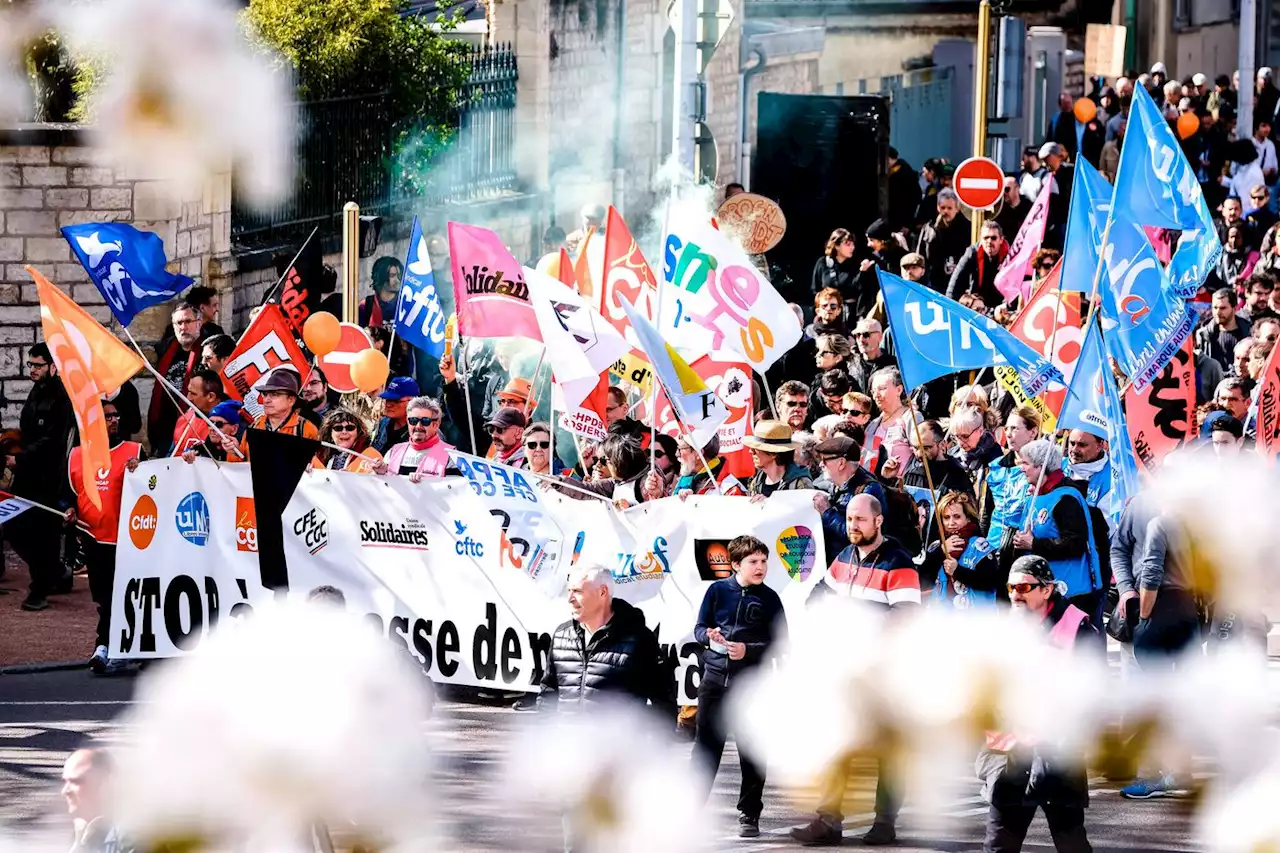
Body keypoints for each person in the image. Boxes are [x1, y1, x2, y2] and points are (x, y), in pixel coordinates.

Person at [793, 494, 916, 846]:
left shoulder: (898, 561)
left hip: (885, 676)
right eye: (849, 520)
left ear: (878, 522)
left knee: (886, 754)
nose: (852, 526)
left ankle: (885, 823)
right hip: (846, 673)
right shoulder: (845, 556)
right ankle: (828, 821)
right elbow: (818, 593)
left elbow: (905, 616)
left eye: (860, 520)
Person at [978, 555, 1096, 853]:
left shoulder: (1078, 628)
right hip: (1008, 754)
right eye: (1011, 587)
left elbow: (1092, 695)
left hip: (1056, 753)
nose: (1016, 594)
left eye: (1024, 587)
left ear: (1047, 589)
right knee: (999, 846)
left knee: (1071, 844)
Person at [694, 535, 787, 839]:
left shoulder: (771, 598)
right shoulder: (717, 591)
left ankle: (750, 814)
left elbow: (780, 643)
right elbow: (698, 627)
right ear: (735, 565)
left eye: (763, 561)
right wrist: (708, 636)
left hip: (752, 686)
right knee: (706, 749)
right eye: (753, 562)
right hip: (714, 681)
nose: (761, 567)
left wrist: (748, 650)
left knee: (752, 751)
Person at [1110, 491, 1199, 799]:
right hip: (1188, 615)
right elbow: (1119, 550)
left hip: (1160, 614)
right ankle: (1179, 771)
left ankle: (1153, 775)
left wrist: (1145, 615)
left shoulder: (1162, 523)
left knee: (1148, 698)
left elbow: (1151, 572)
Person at [67, 399, 142, 674]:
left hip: (128, 538)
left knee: (119, 595)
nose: (114, 421)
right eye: (107, 417)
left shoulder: (134, 452)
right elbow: (68, 494)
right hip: (92, 537)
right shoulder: (76, 455)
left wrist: (142, 472)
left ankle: (106, 645)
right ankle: (115, 645)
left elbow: (153, 487)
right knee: (104, 597)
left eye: (116, 416)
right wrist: (69, 509)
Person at [539, 563, 673, 713]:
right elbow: (547, 694)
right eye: (569, 591)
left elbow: (663, 700)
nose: (570, 598)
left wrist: (656, 736)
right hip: (566, 736)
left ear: (602, 592)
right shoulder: (561, 635)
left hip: (619, 736)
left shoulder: (640, 639)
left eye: (577, 591)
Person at [1009, 439, 1103, 626]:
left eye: (1025, 463)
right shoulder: (1034, 496)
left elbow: (1075, 543)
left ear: (1041, 466)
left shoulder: (1066, 497)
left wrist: (1034, 544)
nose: (1021, 469)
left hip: (1071, 592)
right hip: (1042, 591)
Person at [10, 343, 75, 611]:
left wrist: (21, 457)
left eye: (38, 365)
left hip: (49, 476)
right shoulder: (37, 391)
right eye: (31, 365)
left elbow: (53, 441)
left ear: (52, 366)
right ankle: (56, 573)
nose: (33, 370)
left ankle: (40, 589)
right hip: (28, 473)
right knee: (15, 528)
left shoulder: (60, 396)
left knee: (42, 533)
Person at [811, 434, 887, 564]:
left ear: (841, 463)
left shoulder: (867, 490)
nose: (821, 465)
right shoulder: (835, 486)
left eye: (825, 460)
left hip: (857, 564)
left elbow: (859, 533)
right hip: (839, 562)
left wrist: (827, 512)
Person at [919, 490, 1001, 607]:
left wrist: (958, 571)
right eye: (946, 518)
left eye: (956, 517)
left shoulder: (981, 547)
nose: (951, 522)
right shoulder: (936, 547)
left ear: (967, 518)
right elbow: (923, 580)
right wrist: (940, 552)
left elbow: (991, 582)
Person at [221, 366, 319, 461]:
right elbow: (241, 470)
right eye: (265, 394)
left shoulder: (306, 430)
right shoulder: (254, 427)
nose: (266, 400)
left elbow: (321, 471)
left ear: (291, 400)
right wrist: (234, 451)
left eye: (275, 394)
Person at [148, 302, 210, 451]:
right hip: (164, 429)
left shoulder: (207, 351)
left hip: (193, 430)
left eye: (188, 321)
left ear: (199, 323)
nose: (183, 328)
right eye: (179, 323)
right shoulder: (166, 348)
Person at [978, 406, 1040, 553]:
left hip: (1026, 546)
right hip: (995, 545)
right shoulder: (996, 467)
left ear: (1033, 432)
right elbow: (988, 511)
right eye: (1007, 429)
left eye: (1014, 429)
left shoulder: (1045, 468)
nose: (1009, 435)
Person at [62, 748, 133, 853]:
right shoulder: (83, 830)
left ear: (107, 783)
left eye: (76, 781)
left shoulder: (128, 838)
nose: (65, 791)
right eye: (65, 782)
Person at [372, 396, 452, 480]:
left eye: (425, 421)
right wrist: (381, 473)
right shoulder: (393, 451)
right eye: (413, 420)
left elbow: (458, 488)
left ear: (436, 425)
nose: (418, 426)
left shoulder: (451, 456)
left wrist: (428, 482)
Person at [866, 367, 919, 476]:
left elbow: (921, 454)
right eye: (873, 391)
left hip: (904, 485)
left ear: (899, 390)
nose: (876, 395)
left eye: (882, 388)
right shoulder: (873, 424)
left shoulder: (911, 417)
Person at [948, 221, 1011, 309]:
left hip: (1001, 306)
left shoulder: (1010, 256)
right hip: (978, 305)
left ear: (1001, 240)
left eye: (993, 238)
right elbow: (953, 286)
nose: (989, 241)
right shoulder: (972, 253)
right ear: (981, 239)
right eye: (986, 238)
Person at [744, 421, 813, 498]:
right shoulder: (756, 483)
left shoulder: (800, 484)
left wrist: (769, 503)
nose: (750, 451)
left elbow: (805, 509)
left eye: (755, 449)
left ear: (773, 453)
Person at [918, 188, 971, 288]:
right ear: (938, 208)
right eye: (943, 208)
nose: (946, 211)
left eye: (949, 208)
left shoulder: (967, 228)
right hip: (934, 282)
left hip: (959, 283)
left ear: (957, 208)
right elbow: (921, 256)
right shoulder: (929, 228)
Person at [1063, 430, 1117, 524]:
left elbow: (1106, 528)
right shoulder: (1060, 465)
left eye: (1082, 445)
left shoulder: (1112, 479)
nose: (1075, 450)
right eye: (1072, 443)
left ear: (1099, 446)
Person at [170, 368, 224, 456]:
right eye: (188, 392)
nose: (188, 398)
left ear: (211, 396)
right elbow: (172, 456)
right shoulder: (185, 420)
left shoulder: (232, 425)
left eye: (193, 394)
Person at [1196, 288, 1253, 371]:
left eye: (1223, 308)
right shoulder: (1204, 335)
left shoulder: (1249, 333)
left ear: (1234, 308)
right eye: (1215, 308)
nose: (1218, 313)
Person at [312, 409, 381, 474]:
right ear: (330, 434)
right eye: (338, 428)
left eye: (350, 428)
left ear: (358, 432)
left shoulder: (371, 455)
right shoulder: (319, 455)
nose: (344, 432)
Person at [673, 434, 745, 496]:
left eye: (681, 449)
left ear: (698, 454)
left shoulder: (729, 490)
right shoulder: (683, 482)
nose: (677, 454)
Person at [848, 318, 897, 394]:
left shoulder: (893, 365)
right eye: (857, 335)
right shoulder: (851, 364)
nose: (861, 340)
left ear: (880, 337)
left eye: (866, 334)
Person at [372, 376, 420, 453]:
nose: (388, 404)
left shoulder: (423, 430)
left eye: (396, 400)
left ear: (412, 402)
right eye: (387, 399)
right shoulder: (384, 422)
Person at [812, 228, 858, 300]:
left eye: (853, 244)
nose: (852, 247)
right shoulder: (823, 263)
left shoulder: (855, 265)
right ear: (837, 246)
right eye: (848, 244)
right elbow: (815, 289)